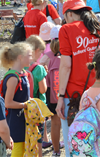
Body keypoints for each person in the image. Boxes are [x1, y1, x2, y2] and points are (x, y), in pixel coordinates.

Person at [55, 0, 100, 156]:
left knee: (75, 142)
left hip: (74, 95)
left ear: (69, 14)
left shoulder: (66, 30)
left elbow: (66, 66)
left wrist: (60, 96)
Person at [0, 42, 33, 157]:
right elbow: (8, 103)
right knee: (18, 150)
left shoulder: (23, 74)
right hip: (15, 121)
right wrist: (26, 105)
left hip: (23, 118)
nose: (31, 58)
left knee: (24, 149)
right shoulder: (13, 77)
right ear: (20, 57)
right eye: (29, 55)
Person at [42, 25, 63, 156]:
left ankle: (56, 151)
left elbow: (39, 68)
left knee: (55, 124)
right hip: (67, 92)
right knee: (69, 121)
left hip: (52, 93)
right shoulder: (68, 55)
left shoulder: (47, 56)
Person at [25, 35, 47, 157]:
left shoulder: (19, 65)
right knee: (38, 136)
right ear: (37, 50)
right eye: (41, 52)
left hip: (23, 107)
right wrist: (45, 75)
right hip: (37, 108)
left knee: (26, 135)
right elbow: (43, 89)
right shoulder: (38, 68)